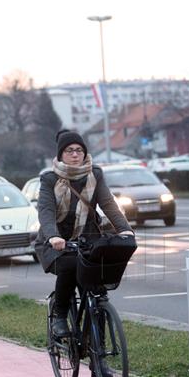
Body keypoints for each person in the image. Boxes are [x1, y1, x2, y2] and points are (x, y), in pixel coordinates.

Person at [35, 129, 134, 339]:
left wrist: (124, 229)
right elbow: (46, 211)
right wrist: (53, 236)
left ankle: (98, 351)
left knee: (97, 290)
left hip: (88, 239)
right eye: (69, 150)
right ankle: (60, 316)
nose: (75, 154)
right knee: (70, 266)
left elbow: (108, 203)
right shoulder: (49, 179)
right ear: (61, 154)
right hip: (55, 243)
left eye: (79, 150)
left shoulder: (94, 174)